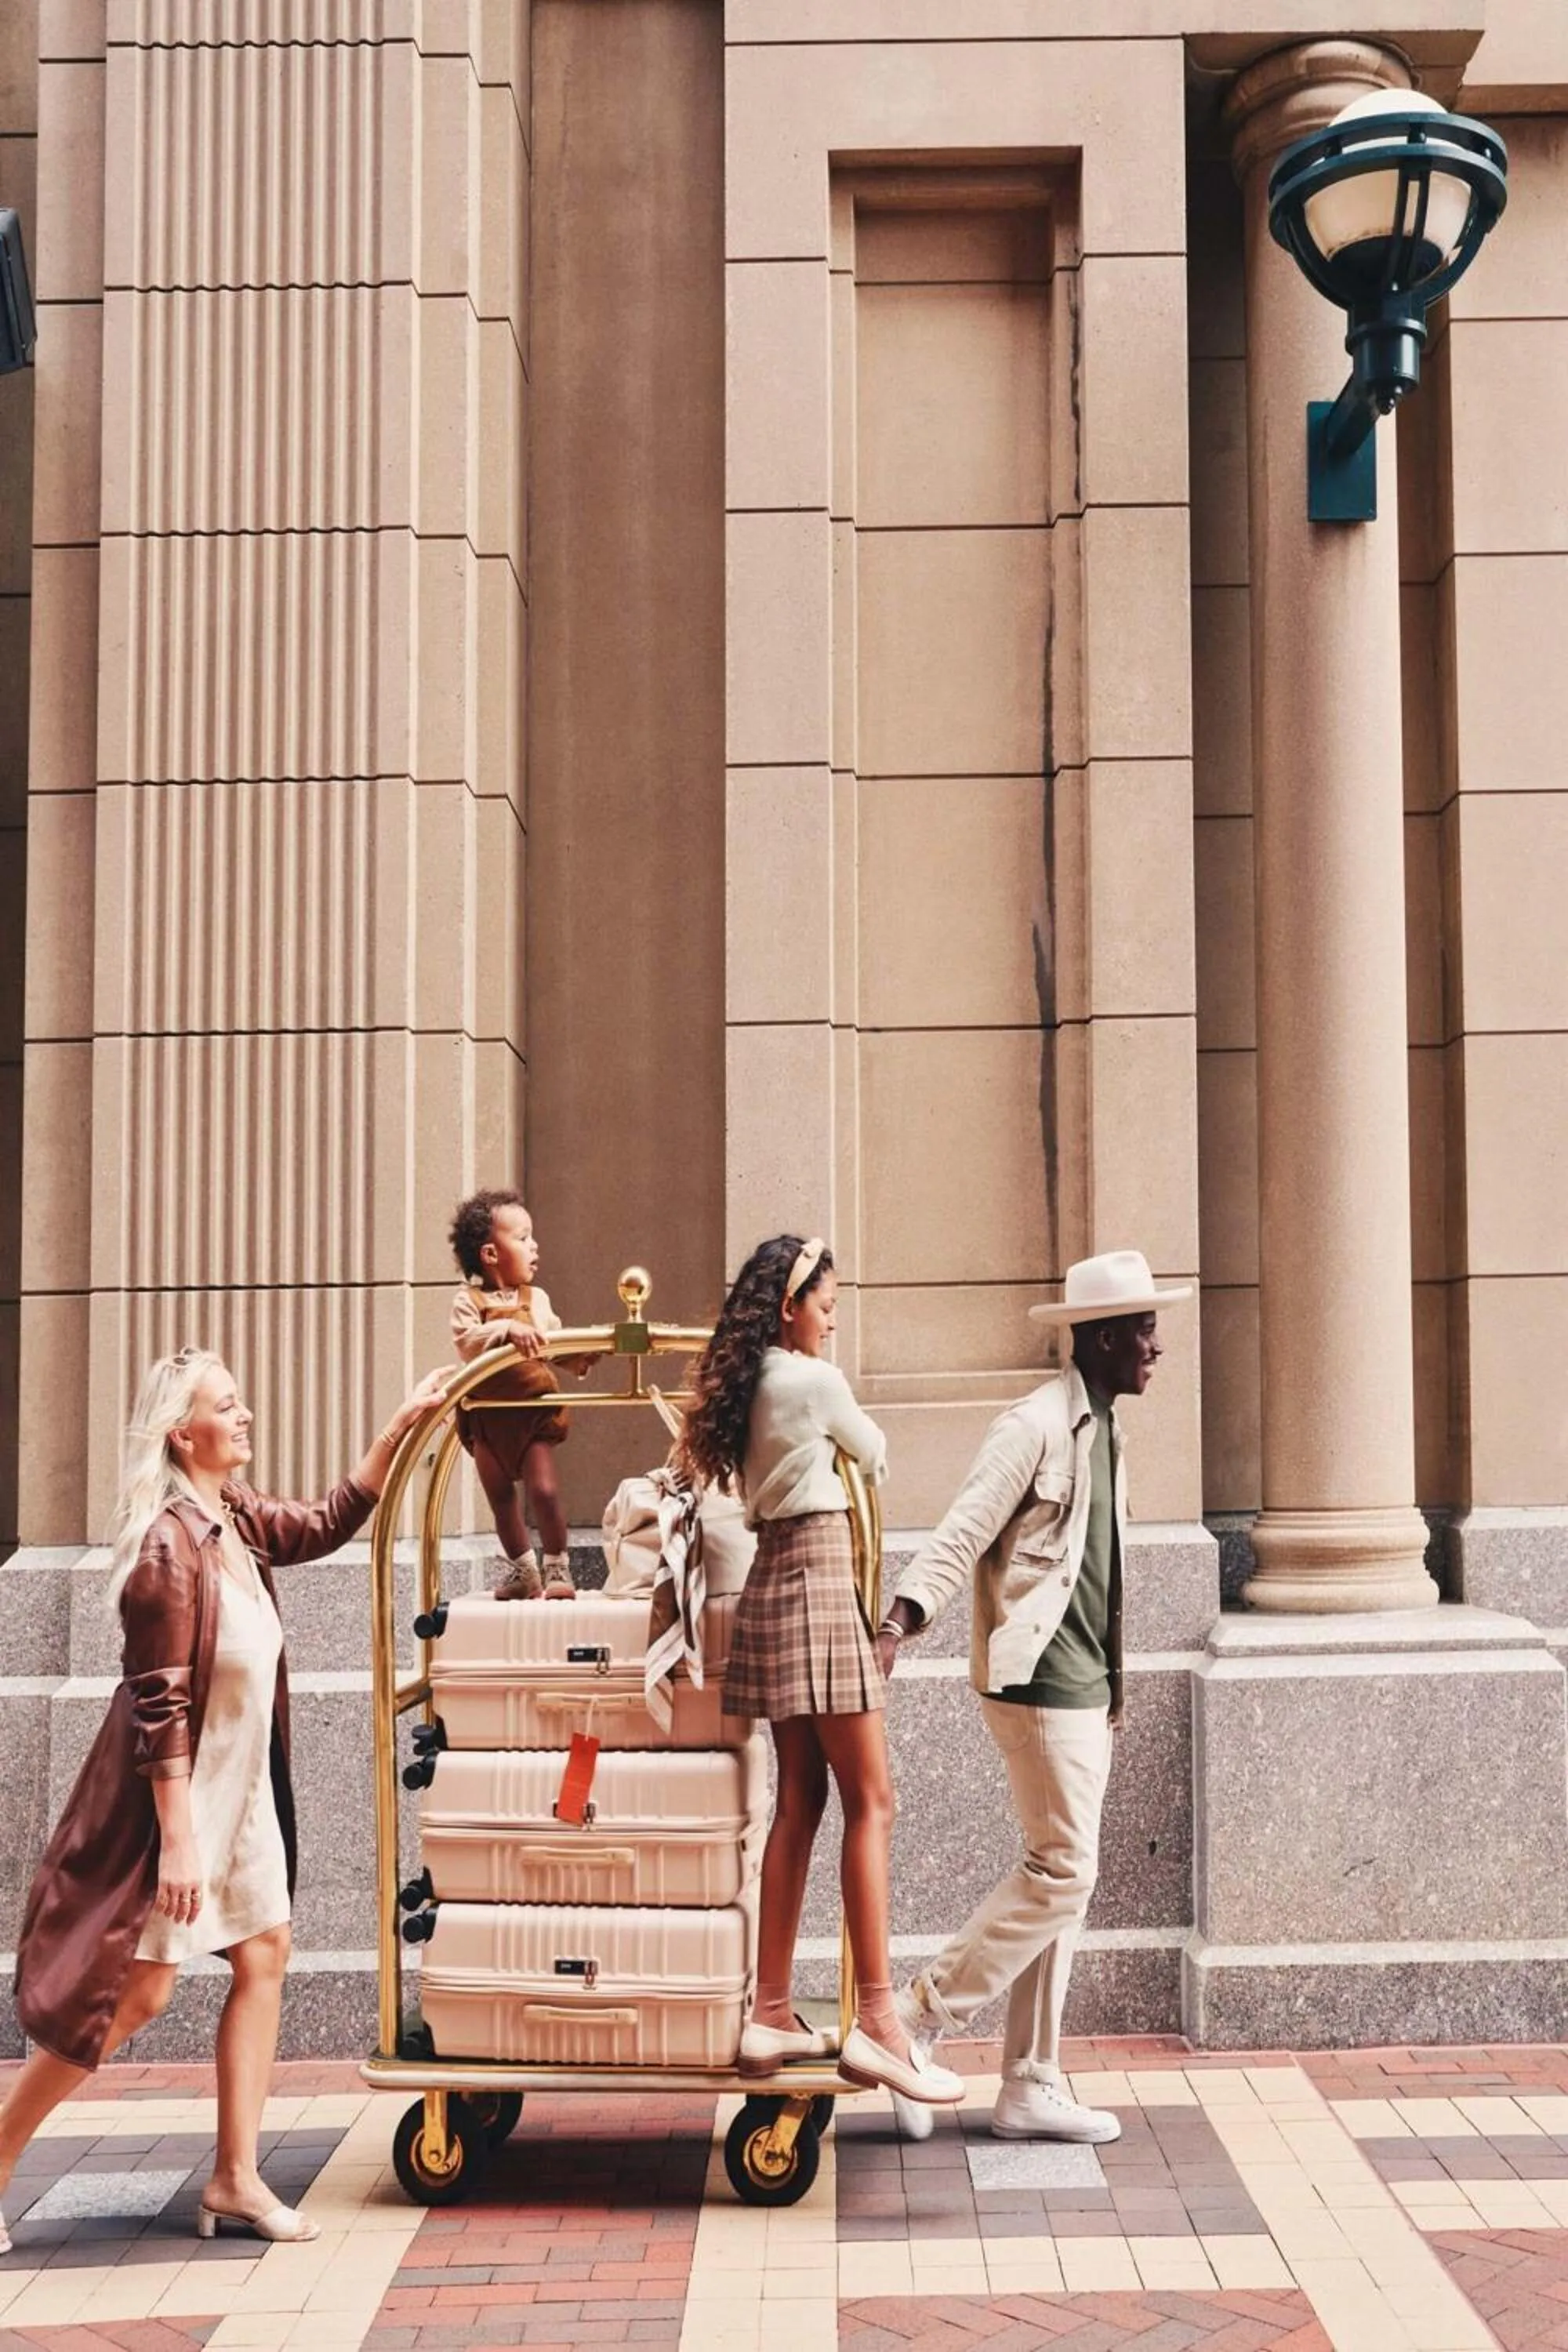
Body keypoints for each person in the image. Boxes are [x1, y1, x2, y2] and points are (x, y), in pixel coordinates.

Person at [0, 1347, 447, 2255]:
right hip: (184, 1804)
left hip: (240, 1796)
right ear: (184, 1432)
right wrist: (177, 1843)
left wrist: (400, 1425)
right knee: (135, 1996)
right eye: (227, 1406)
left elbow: (322, 1522)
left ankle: (236, 2177)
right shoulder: (168, 1545)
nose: (244, 1417)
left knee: (266, 1953)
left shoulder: (231, 1517)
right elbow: (158, 1704)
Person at [877, 1249, 1190, 2143]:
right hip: (1039, 1678)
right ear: (1096, 1340)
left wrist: (1111, 1682)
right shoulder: (1033, 1426)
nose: (1154, 1345)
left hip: (1087, 1684)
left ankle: (1029, 2082)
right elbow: (961, 1529)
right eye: (1139, 1328)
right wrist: (898, 1623)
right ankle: (916, 2019)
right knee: (1063, 1870)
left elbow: (1098, 1575)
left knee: (1063, 1881)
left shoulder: (1107, 1426)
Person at [679, 1233, 964, 2108]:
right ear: (787, 1306)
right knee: (872, 1799)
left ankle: (770, 2009)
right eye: (824, 1303)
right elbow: (873, 1453)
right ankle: (879, 2024)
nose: (831, 1317)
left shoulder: (749, 1384)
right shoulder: (811, 1381)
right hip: (817, 1578)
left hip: (773, 1580)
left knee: (799, 1801)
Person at [448, 1189, 590, 1601]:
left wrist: (579, 1357)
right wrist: (506, 1329)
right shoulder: (468, 1301)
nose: (535, 1246)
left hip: (530, 1413)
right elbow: (466, 1341)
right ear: (491, 1254)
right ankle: (523, 1570)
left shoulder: (537, 1300)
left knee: (543, 1489)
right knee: (500, 1497)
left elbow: (553, 1342)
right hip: (488, 1417)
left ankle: (558, 1564)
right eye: (524, 1238)